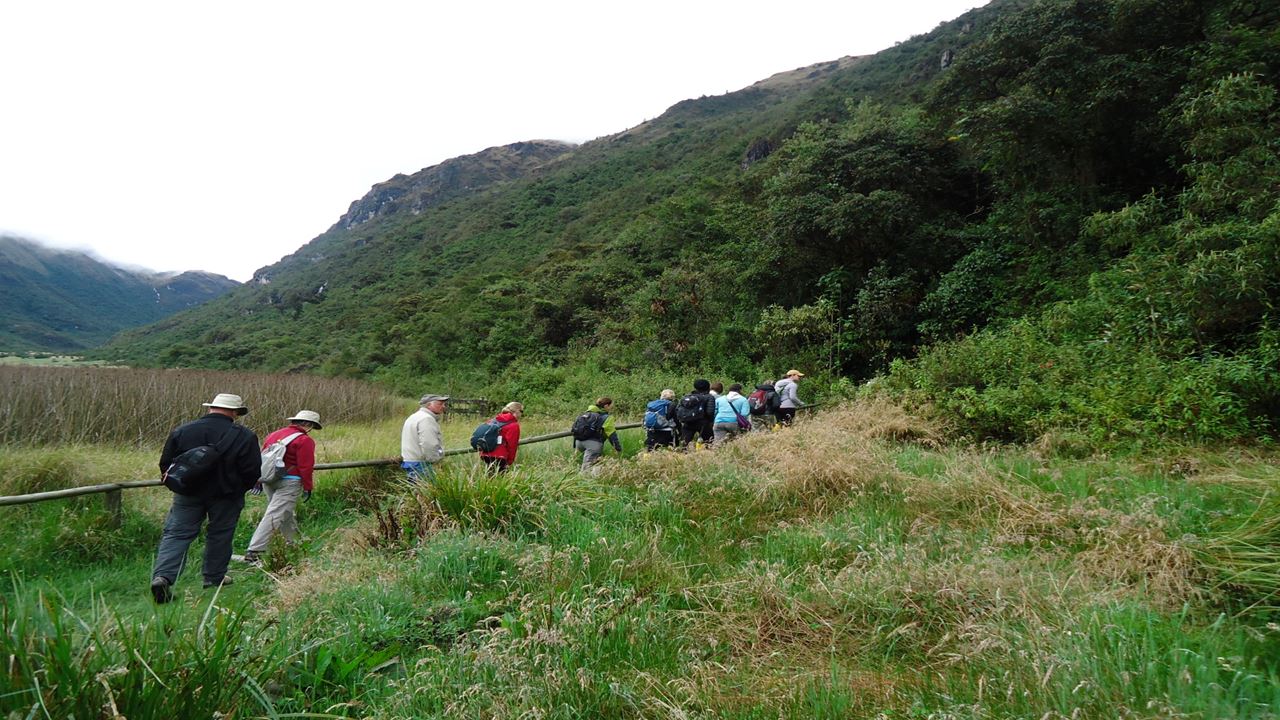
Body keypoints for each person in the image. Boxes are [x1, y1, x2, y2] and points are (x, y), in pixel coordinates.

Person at [151, 393, 260, 603]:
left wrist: (182, 484)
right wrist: (238, 488)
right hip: (226, 495)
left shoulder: (183, 430)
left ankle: (163, 577)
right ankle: (214, 577)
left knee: (177, 534)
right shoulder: (245, 435)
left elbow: (166, 464)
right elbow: (252, 471)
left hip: (188, 493)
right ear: (235, 412)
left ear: (211, 408)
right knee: (220, 534)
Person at [243, 410, 322, 565]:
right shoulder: (305, 440)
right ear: (308, 425)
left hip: (269, 479)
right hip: (290, 481)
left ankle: (294, 542)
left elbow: (263, 457)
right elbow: (306, 466)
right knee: (275, 514)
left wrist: (258, 481)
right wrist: (308, 487)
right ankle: (255, 551)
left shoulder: (274, 435)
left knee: (283, 513)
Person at [401, 394, 448, 483]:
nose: (443, 407)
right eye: (440, 404)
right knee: (428, 493)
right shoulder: (427, 419)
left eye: (444, 404)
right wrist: (436, 461)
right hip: (421, 464)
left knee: (416, 493)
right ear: (429, 405)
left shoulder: (414, 416)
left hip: (410, 461)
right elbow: (429, 444)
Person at [574, 397, 621, 472]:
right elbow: (612, 435)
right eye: (611, 406)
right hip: (593, 444)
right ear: (606, 406)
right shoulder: (606, 418)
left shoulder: (584, 414)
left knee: (596, 463)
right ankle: (582, 481)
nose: (612, 408)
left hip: (579, 442)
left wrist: (575, 446)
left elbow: (576, 428)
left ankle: (596, 479)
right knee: (587, 468)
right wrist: (617, 448)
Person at [478, 402, 523, 474]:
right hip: (501, 456)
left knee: (490, 478)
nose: (522, 414)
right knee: (501, 480)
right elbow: (512, 445)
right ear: (516, 411)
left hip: (485, 454)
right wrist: (510, 461)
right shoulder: (513, 425)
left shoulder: (493, 420)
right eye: (521, 411)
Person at [676, 379, 718, 449]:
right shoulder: (709, 397)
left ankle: (682, 457)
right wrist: (710, 421)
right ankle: (706, 457)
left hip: (688, 422)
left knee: (684, 444)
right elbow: (710, 412)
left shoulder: (688, 396)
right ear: (708, 387)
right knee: (708, 443)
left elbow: (678, 409)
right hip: (703, 424)